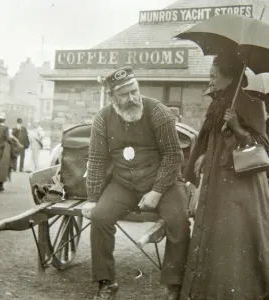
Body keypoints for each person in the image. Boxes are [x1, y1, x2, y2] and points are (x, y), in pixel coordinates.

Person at [81, 66, 190, 300]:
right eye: (124, 94)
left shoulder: (158, 112)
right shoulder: (103, 118)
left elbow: (173, 156)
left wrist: (157, 191)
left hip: (164, 182)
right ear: (112, 97)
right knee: (100, 217)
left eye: (134, 91)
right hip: (123, 184)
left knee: (179, 220)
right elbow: (97, 160)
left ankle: (174, 285)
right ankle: (106, 282)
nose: (132, 98)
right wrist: (91, 198)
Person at [181, 54, 269, 300]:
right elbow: (209, 138)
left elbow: (263, 146)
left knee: (236, 232)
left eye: (213, 75)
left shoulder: (251, 103)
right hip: (217, 178)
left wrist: (239, 128)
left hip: (243, 183)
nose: (210, 79)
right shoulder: (219, 102)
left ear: (230, 76)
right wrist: (203, 156)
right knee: (217, 234)